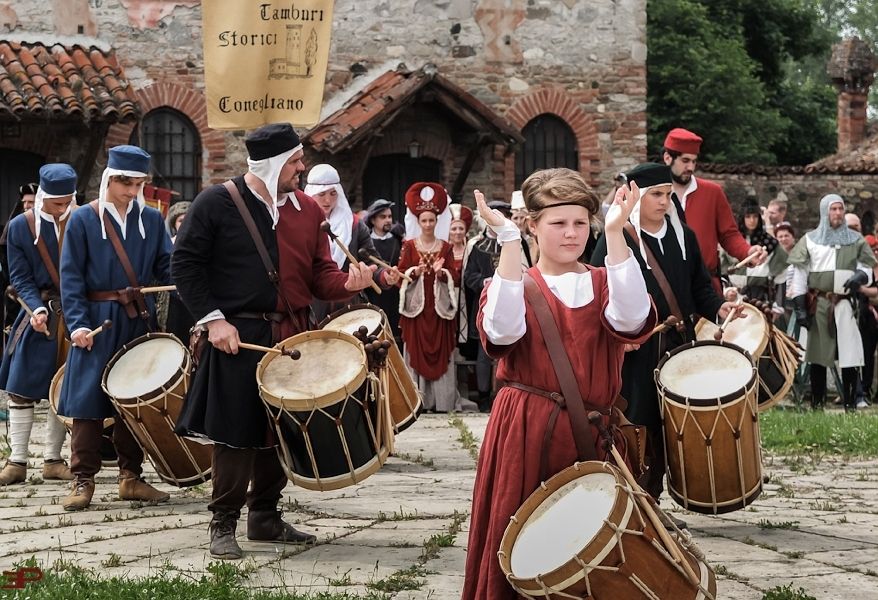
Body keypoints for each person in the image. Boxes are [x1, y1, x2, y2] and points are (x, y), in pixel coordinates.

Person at [173, 123, 376, 560]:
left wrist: (347, 283)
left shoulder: (306, 210)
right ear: (271, 164)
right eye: (296, 161)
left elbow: (319, 274)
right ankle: (222, 522)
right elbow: (185, 266)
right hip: (237, 335)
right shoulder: (216, 203)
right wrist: (213, 321)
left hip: (292, 333)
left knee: (279, 429)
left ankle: (264, 515)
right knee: (236, 431)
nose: (302, 169)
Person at [462, 168, 655, 599]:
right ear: (532, 225)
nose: (572, 234)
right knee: (522, 545)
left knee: (596, 555)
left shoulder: (607, 280)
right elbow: (503, 332)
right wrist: (510, 242)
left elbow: (633, 318)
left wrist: (616, 233)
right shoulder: (509, 284)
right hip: (526, 432)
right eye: (558, 223)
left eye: (581, 224)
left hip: (594, 433)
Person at [590, 163, 739, 502]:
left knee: (670, 423)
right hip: (638, 348)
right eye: (656, 194)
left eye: (668, 194)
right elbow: (599, 286)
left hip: (678, 344)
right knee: (637, 422)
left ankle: (655, 498)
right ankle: (634, 498)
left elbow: (700, 286)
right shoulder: (619, 236)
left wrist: (719, 308)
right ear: (637, 197)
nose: (663, 201)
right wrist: (614, 335)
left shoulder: (683, 235)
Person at [57, 145, 173, 511]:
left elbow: (167, 267)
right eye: (125, 182)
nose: (131, 190)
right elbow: (70, 278)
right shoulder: (82, 220)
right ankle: (82, 479)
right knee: (88, 402)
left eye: (138, 183)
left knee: (132, 401)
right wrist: (76, 325)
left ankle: (131, 478)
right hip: (95, 320)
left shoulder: (152, 221)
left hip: (137, 318)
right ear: (111, 178)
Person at [0, 165, 77, 485]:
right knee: (20, 389)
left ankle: (53, 460)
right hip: (38, 311)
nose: (63, 209)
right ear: (43, 197)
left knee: (64, 389)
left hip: (75, 315)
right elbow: (19, 276)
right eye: (57, 203)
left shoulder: (82, 219)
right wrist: (34, 308)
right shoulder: (20, 226)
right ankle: (17, 461)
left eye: (68, 202)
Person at [788, 194, 877, 411]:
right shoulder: (809, 239)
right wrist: (800, 308)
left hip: (845, 303)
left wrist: (860, 276)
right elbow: (799, 274)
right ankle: (817, 405)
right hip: (819, 302)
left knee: (849, 354)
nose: (837, 213)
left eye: (840, 209)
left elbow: (867, 266)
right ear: (824, 212)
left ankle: (850, 405)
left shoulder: (855, 240)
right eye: (833, 209)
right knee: (817, 355)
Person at [662, 128, 766, 292]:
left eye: (694, 161)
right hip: (667, 288)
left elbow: (729, 234)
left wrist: (747, 251)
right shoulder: (653, 194)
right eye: (685, 160)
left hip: (706, 286)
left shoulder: (713, 192)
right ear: (668, 158)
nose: (690, 167)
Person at [398, 183, 465, 413]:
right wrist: (414, 272)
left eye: (431, 220)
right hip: (416, 308)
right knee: (415, 349)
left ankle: (441, 402)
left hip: (437, 310)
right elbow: (400, 275)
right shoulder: (409, 246)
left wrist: (441, 273)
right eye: (424, 220)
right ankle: (417, 401)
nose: (428, 224)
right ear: (418, 222)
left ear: (437, 222)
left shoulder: (445, 248)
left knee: (441, 350)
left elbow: (455, 277)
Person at [305, 164, 398, 324]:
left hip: (350, 304)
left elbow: (370, 261)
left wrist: (384, 275)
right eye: (321, 194)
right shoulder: (301, 225)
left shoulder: (354, 224)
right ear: (311, 194)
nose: (328, 200)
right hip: (314, 305)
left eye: (333, 193)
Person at [463, 200, 522, 411]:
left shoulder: (514, 243)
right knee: (484, 351)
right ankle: (483, 396)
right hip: (484, 304)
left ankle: (505, 394)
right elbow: (469, 276)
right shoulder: (477, 246)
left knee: (510, 350)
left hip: (512, 303)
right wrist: (483, 282)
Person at [725, 198, 785, 303]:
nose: (752, 220)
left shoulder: (770, 242)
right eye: (748, 217)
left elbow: (782, 274)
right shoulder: (732, 242)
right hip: (735, 298)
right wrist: (725, 291)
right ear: (742, 218)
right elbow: (722, 270)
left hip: (762, 299)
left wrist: (778, 305)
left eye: (755, 216)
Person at [363, 198, 403, 340]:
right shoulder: (366, 243)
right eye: (383, 217)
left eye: (389, 217)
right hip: (373, 295)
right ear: (373, 220)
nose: (387, 220)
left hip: (394, 295)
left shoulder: (397, 240)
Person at [158, 201, 194, 342]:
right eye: (180, 220)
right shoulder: (168, 245)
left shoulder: (203, 243)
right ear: (174, 224)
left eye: (187, 219)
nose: (184, 223)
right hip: (173, 301)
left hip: (194, 297)